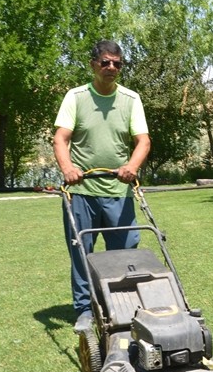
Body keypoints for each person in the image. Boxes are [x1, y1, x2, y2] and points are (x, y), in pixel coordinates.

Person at [53, 40, 151, 333]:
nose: (111, 68)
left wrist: (131, 167)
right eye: (106, 62)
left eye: (117, 64)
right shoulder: (76, 97)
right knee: (82, 251)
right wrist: (68, 168)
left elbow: (142, 141)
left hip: (118, 192)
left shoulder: (131, 99)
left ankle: (123, 305)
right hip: (81, 191)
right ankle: (85, 309)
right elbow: (61, 138)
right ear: (93, 64)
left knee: (126, 251)